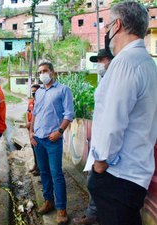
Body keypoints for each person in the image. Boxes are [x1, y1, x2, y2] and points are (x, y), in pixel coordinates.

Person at [86, 2, 157, 225]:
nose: (106, 32)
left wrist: (100, 165)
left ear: (117, 25)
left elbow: (112, 123)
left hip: (117, 176)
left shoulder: (124, 63)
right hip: (135, 175)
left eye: (107, 26)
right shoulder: (147, 64)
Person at [30, 62, 74, 224]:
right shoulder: (39, 91)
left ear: (52, 72)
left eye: (45, 71)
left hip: (53, 139)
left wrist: (59, 131)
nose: (42, 74)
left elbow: (69, 114)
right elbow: (35, 113)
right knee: (44, 172)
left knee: (57, 174)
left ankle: (62, 209)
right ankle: (48, 201)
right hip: (38, 139)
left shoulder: (63, 90)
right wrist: (31, 132)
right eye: (40, 71)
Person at [73, 49, 113, 225]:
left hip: (108, 149)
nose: (99, 64)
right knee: (93, 183)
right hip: (98, 146)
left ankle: (94, 216)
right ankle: (93, 214)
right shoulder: (104, 82)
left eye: (102, 59)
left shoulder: (117, 82)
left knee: (95, 183)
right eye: (97, 60)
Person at [26, 84, 40, 176]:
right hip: (30, 128)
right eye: (32, 91)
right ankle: (36, 165)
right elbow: (28, 112)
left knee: (38, 148)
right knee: (33, 148)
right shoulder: (31, 102)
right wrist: (27, 122)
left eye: (35, 91)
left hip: (37, 129)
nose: (33, 93)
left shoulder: (40, 102)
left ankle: (39, 169)